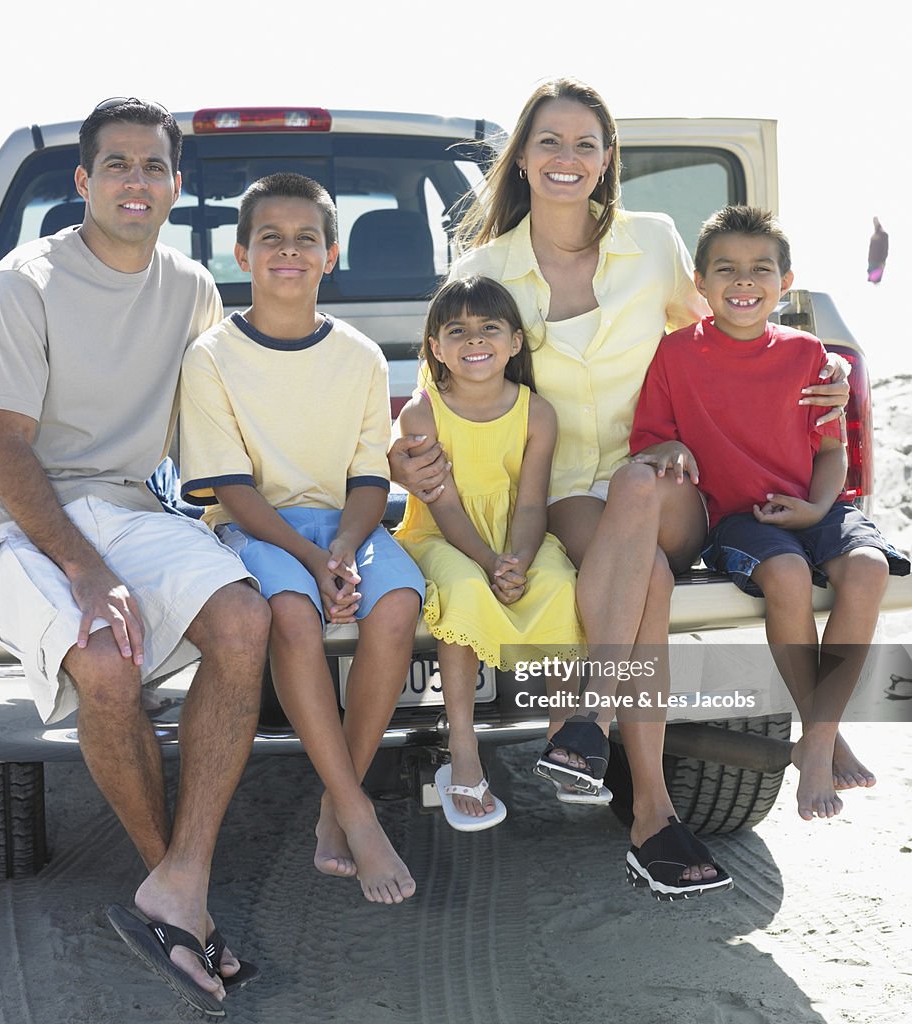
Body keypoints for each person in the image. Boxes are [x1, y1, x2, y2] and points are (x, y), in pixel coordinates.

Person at [390, 77, 850, 900]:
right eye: (549, 142)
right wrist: (401, 446)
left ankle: (590, 719)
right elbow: (445, 377)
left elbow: (727, 327)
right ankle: (651, 816)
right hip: (562, 482)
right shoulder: (484, 266)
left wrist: (823, 368)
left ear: (607, 161)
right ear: (521, 159)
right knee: (649, 579)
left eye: (584, 144)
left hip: (675, 476)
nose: (566, 158)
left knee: (640, 487)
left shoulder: (656, 238)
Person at [0, 97, 269, 1018]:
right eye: (117, 165)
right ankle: (166, 877)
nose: (137, 181)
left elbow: (227, 427)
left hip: (128, 508)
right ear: (85, 182)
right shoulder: (22, 283)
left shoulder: (191, 290)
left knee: (243, 620)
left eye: (153, 166)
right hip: (7, 517)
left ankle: (182, 883)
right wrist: (87, 570)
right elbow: (2, 448)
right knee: (105, 662)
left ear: (174, 184)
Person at [178, 172, 424, 904]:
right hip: (256, 528)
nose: (289, 251)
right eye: (271, 239)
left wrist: (344, 550)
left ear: (331, 254)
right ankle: (356, 809)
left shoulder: (358, 355)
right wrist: (314, 560)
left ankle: (331, 800)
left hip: (344, 529)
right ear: (241, 252)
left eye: (305, 239)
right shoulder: (212, 355)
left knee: (399, 603)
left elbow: (368, 478)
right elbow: (230, 490)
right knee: (290, 613)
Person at [631, 205, 910, 823]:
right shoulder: (677, 355)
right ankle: (820, 739)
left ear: (786, 282)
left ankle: (819, 731)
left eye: (761, 268)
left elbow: (833, 452)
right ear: (699, 283)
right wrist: (671, 449)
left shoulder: (810, 353)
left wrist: (815, 506)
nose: (743, 281)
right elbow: (651, 440)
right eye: (725, 269)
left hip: (816, 503)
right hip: (742, 516)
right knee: (783, 577)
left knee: (867, 568)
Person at [393, 276, 582, 831]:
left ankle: (563, 736)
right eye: (457, 330)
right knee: (466, 593)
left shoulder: (536, 412)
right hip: (441, 537)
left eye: (489, 328)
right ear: (435, 347)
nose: (474, 340)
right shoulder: (422, 413)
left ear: (516, 342)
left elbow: (530, 503)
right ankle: (464, 752)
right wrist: (487, 563)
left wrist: (518, 561)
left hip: (513, 535)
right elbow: (444, 507)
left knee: (559, 585)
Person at [867, 216, 888, 283]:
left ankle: (875, 279)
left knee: (875, 281)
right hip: (872, 261)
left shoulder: (883, 235)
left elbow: (885, 250)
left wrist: (882, 262)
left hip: (877, 261)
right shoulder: (874, 236)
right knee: (872, 280)